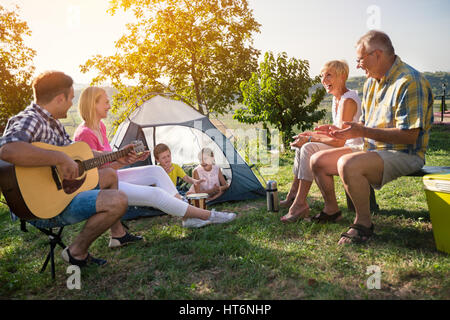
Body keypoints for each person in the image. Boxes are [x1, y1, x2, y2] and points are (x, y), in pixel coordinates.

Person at [0, 71, 140, 268]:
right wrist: (58, 157)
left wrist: (117, 156)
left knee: (108, 175)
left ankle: (117, 235)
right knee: (119, 200)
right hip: (42, 206)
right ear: (60, 98)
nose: (71, 104)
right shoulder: (30, 119)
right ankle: (77, 252)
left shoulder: (54, 123)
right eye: (71, 99)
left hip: (62, 192)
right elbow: (7, 150)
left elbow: (80, 154)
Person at [311, 30, 434, 244]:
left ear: (376, 55)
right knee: (317, 161)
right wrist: (341, 130)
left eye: (359, 59)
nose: (357, 65)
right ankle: (332, 210)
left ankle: (363, 225)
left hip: (405, 153)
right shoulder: (370, 83)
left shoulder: (409, 81)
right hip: (373, 149)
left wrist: (362, 132)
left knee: (349, 164)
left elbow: (409, 136)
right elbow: (365, 125)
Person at [74, 87, 236, 229]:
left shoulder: (100, 127)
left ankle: (189, 216)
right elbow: (93, 174)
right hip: (100, 187)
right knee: (155, 194)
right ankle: (206, 215)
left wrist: (131, 160)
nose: (109, 106)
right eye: (106, 102)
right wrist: (119, 162)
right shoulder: (84, 134)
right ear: (92, 104)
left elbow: (107, 166)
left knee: (156, 170)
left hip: (113, 177)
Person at [279, 60, 363, 223]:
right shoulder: (337, 99)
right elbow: (338, 131)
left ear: (343, 77)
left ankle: (299, 204)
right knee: (302, 146)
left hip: (355, 149)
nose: (324, 80)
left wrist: (310, 138)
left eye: (329, 75)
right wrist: (313, 133)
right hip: (344, 145)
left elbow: (340, 141)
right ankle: (294, 194)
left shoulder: (348, 100)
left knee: (308, 147)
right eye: (322, 76)